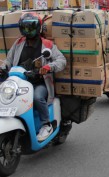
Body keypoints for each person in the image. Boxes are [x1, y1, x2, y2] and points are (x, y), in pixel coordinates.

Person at [0, 12, 66, 141]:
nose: (28, 30)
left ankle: (46, 124)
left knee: (37, 97)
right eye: (25, 27)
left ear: (38, 28)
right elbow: (9, 60)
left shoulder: (47, 45)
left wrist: (48, 67)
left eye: (31, 27)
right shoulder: (18, 43)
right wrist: (3, 69)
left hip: (39, 82)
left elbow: (61, 60)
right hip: (19, 81)